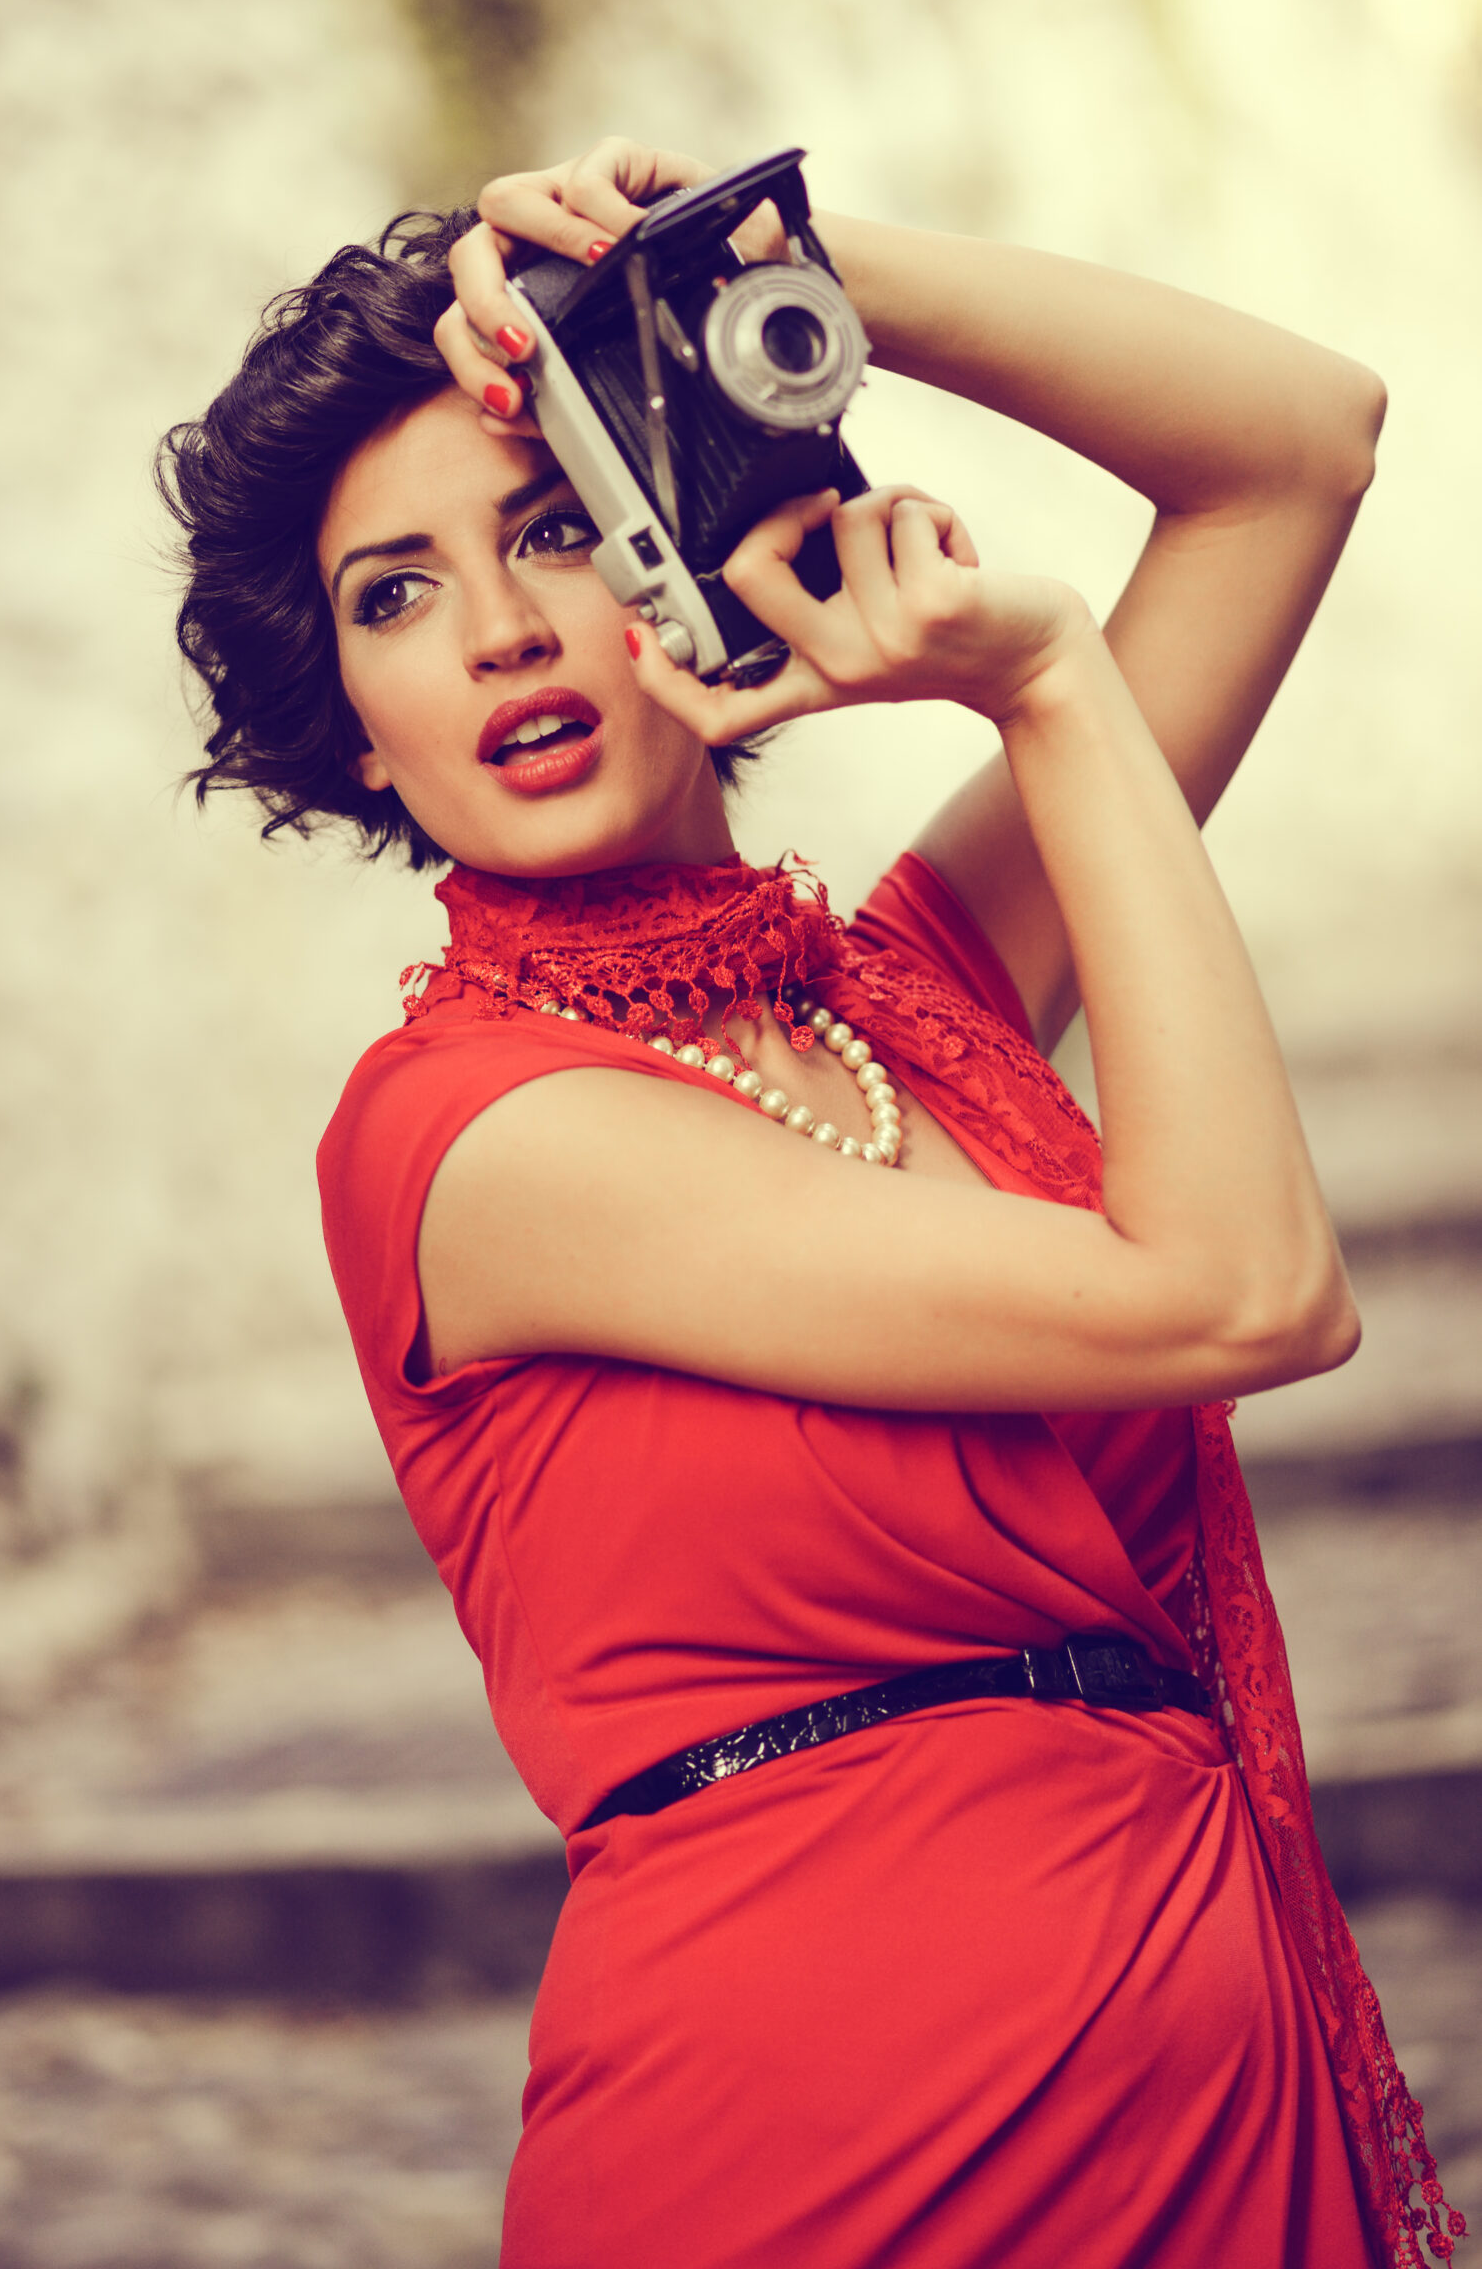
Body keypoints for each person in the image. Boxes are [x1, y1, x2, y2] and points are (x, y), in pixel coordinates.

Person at [160, 138, 1462, 2268]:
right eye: (392, 593)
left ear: (678, 540)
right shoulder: (470, 1136)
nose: (497, 631)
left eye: (559, 525)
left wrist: (764, 272)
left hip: (1209, 2096)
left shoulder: (911, 1003)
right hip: (819, 2139)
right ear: (357, 734)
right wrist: (1045, 684)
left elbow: (1298, 450)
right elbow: (1245, 1286)